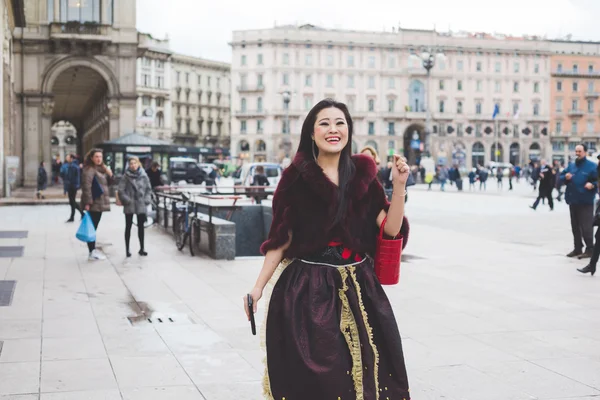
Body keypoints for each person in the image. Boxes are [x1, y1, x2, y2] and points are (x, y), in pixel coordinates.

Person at [244, 99, 411, 399]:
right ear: (311, 132)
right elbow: (280, 240)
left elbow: (391, 229)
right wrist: (257, 289)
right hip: (306, 290)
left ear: (349, 130)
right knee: (320, 379)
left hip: (360, 289)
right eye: (324, 123)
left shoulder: (364, 175)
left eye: (340, 123)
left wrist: (398, 186)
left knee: (372, 370)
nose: (333, 129)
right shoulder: (294, 178)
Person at [560, 144, 597, 259]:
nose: (577, 153)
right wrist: (565, 177)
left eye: (579, 151)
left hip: (586, 201)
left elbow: (597, 181)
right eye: (576, 151)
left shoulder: (592, 166)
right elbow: (560, 177)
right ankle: (577, 248)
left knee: (586, 227)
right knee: (575, 226)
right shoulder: (571, 165)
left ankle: (590, 249)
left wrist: (593, 185)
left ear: (585, 152)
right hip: (573, 200)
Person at [81, 148, 112, 261]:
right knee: (92, 228)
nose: (99, 159)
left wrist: (108, 173)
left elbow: (108, 183)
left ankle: (92, 250)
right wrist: (88, 203)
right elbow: (86, 187)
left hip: (99, 202)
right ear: (91, 158)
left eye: (100, 157)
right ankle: (91, 251)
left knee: (93, 227)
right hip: (94, 203)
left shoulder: (100, 169)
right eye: (96, 157)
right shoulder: (89, 170)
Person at [117, 156, 152, 257]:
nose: (133, 165)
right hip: (130, 204)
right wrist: (127, 200)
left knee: (141, 227)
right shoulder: (125, 176)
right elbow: (121, 190)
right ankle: (127, 249)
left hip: (141, 203)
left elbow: (148, 189)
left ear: (138, 164)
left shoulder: (144, 175)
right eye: (131, 163)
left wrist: (147, 199)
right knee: (128, 226)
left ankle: (142, 248)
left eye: (135, 163)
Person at [63, 154, 83, 222]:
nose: (66, 158)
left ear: (71, 158)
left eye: (67, 157)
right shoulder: (71, 165)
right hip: (71, 186)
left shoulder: (73, 166)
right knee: (72, 201)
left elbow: (74, 177)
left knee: (72, 201)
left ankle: (74, 216)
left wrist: (75, 185)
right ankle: (80, 214)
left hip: (72, 186)